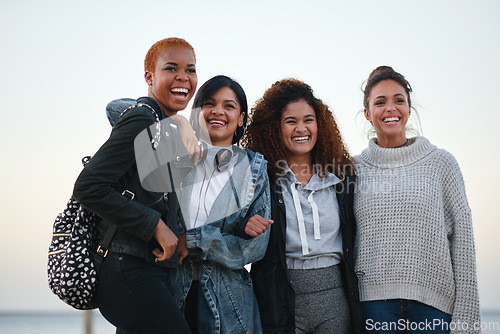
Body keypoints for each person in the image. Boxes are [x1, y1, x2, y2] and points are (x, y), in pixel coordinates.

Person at [73, 37, 199, 334]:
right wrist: (156, 226)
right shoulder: (143, 120)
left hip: (143, 270)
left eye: (190, 70)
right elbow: (89, 186)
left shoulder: (162, 127)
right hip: (127, 269)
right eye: (172, 68)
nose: (183, 77)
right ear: (149, 77)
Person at [354, 66, 480, 333]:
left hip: (434, 304)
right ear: (367, 114)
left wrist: (467, 319)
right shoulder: (352, 169)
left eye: (399, 100)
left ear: (409, 109)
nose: (391, 108)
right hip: (373, 305)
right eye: (380, 102)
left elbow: (463, 239)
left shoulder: (441, 163)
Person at [244, 78, 362, 334]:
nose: (301, 128)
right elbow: (234, 222)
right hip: (280, 299)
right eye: (291, 121)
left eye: (308, 119)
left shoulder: (341, 178)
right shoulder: (261, 179)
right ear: (275, 127)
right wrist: (245, 225)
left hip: (334, 300)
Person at [167, 75, 272, 334]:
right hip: (166, 291)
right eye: (209, 103)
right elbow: (117, 109)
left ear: (241, 118)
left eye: (229, 106)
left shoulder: (253, 167)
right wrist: (177, 120)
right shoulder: (172, 150)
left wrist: (195, 241)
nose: (218, 111)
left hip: (229, 304)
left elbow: (254, 249)